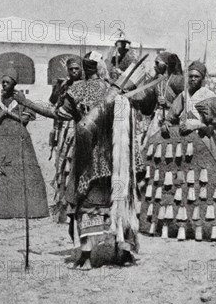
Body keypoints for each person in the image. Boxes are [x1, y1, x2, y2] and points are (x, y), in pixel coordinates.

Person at [14, 52, 145, 270]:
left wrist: (26, 102)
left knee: (87, 203)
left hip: (88, 160)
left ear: (84, 69)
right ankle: (123, 250)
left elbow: (56, 113)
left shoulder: (76, 90)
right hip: (116, 160)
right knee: (119, 199)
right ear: (101, 67)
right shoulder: (115, 89)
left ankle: (86, 255)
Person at [139, 60, 216, 241]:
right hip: (183, 143)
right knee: (183, 183)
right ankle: (180, 224)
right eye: (191, 77)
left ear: (202, 79)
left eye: (197, 77)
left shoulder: (209, 96)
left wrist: (201, 123)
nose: (193, 80)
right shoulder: (183, 96)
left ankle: (205, 226)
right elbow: (171, 116)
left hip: (203, 140)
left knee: (204, 182)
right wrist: (166, 124)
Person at [0, 67, 48, 219]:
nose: (4, 85)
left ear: (13, 84)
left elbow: (25, 119)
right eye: (3, 82)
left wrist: (7, 113)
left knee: (19, 173)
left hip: (18, 141)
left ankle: (23, 209)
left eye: (7, 82)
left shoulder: (20, 99)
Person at [49, 57, 82, 223]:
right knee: (62, 166)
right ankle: (62, 206)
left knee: (75, 166)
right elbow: (55, 105)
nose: (74, 72)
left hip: (79, 128)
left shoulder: (86, 86)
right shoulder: (64, 85)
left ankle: (75, 206)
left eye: (77, 69)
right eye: (71, 69)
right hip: (64, 128)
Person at [129, 51, 184, 146]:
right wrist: (132, 99)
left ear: (166, 64)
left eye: (157, 63)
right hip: (157, 121)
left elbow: (186, 104)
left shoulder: (178, 80)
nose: (154, 66)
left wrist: (168, 104)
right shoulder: (156, 80)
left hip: (174, 121)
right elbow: (147, 103)